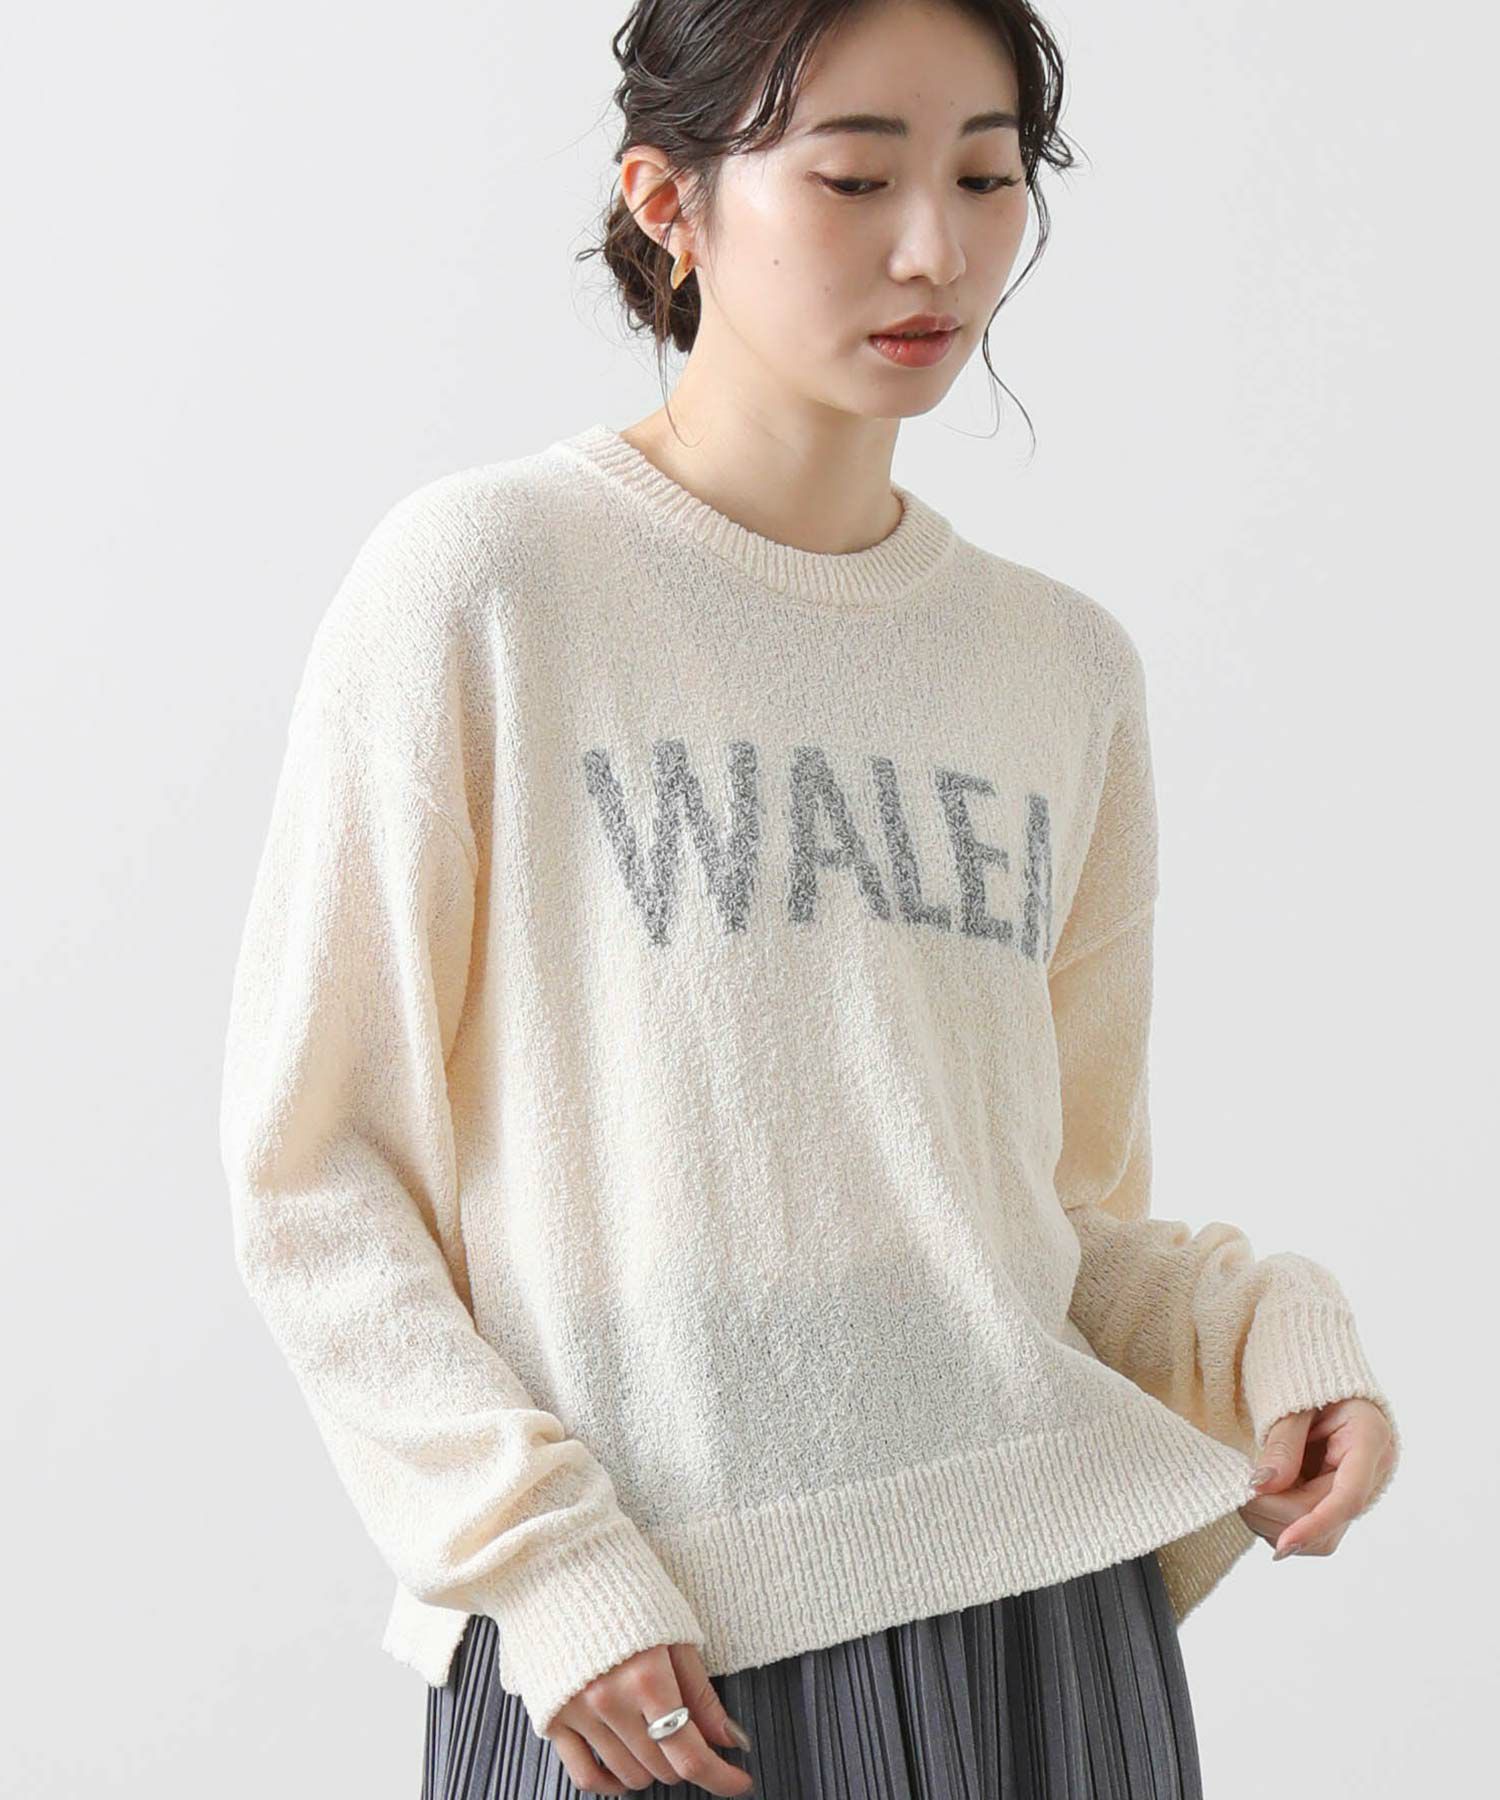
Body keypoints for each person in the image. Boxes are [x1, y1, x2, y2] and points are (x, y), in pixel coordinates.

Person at [218, 2, 1401, 1795]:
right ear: (666, 201)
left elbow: (1044, 1223)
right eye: (854, 179)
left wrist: (1261, 1336)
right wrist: (537, 1560)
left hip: (1046, 1635)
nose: (936, 249)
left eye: (987, 178)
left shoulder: (1059, 667)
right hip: (643, 1655)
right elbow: (315, 1178)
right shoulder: (490, 586)